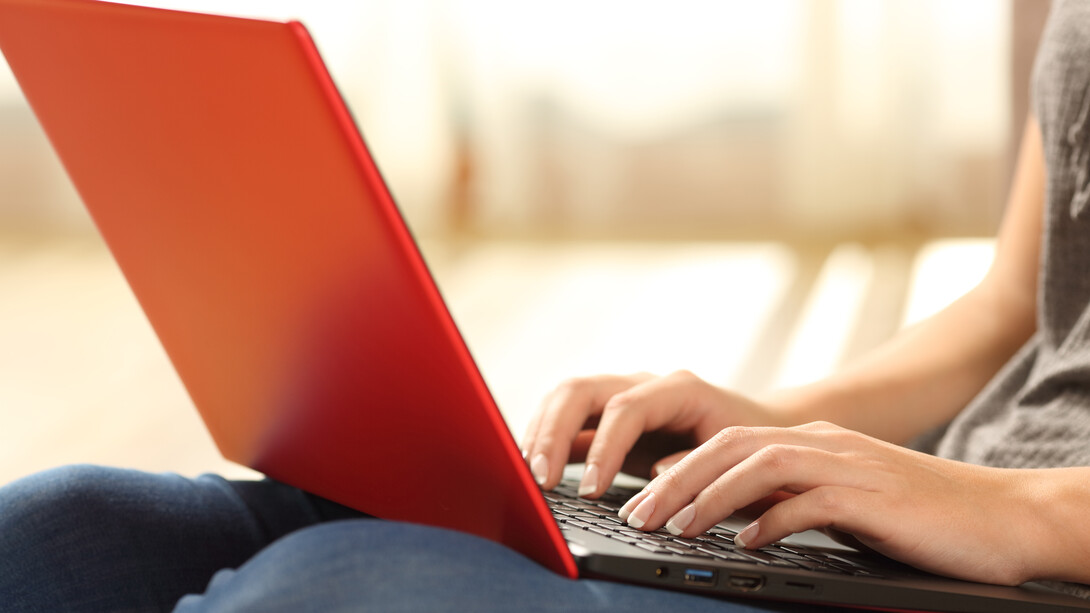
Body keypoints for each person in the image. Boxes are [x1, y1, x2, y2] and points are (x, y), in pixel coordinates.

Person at [2, 1, 1089, 611]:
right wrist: (772, 429)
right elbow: (1017, 306)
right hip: (938, 526)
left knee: (331, 595)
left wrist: (1031, 516)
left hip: (1041, 568)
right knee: (57, 532)